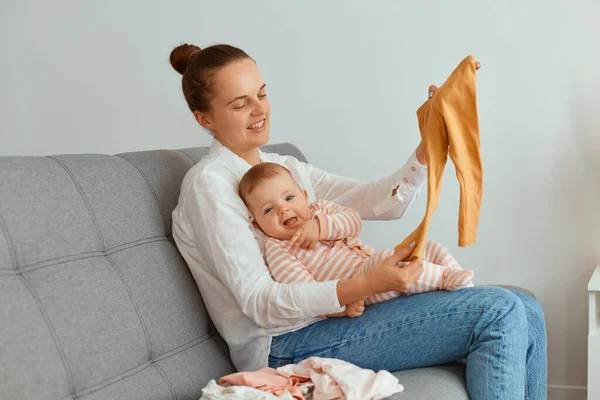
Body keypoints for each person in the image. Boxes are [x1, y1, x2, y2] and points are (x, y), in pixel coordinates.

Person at [170, 42, 547, 399]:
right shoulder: (210, 185)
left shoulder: (284, 168)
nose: (260, 109)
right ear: (203, 118)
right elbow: (260, 302)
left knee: (525, 308)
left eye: (262, 94)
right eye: (240, 104)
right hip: (286, 344)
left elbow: (379, 202)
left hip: (335, 317)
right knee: (499, 310)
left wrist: (430, 140)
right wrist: (363, 284)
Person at [238, 161, 474, 319]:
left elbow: (354, 221)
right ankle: (443, 277)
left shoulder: (319, 209)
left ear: (304, 196)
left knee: (427, 246)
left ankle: (464, 288)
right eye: (269, 210)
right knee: (385, 259)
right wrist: (340, 309)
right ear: (257, 225)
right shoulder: (279, 249)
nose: (284, 209)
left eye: (289, 197)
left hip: (374, 264)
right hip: (361, 285)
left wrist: (320, 227)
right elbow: (305, 292)